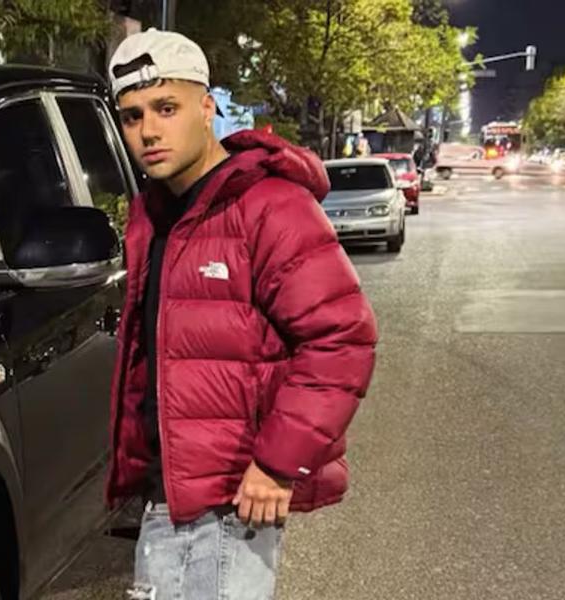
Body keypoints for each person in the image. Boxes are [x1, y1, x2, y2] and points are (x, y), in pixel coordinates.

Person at [105, 29, 379, 600]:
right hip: (169, 490)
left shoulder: (270, 206)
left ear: (207, 109)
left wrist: (278, 464)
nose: (149, 130)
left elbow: (342, 339)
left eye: (166, 108)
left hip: (230, 499)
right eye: (133, 116)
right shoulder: (153, 213)